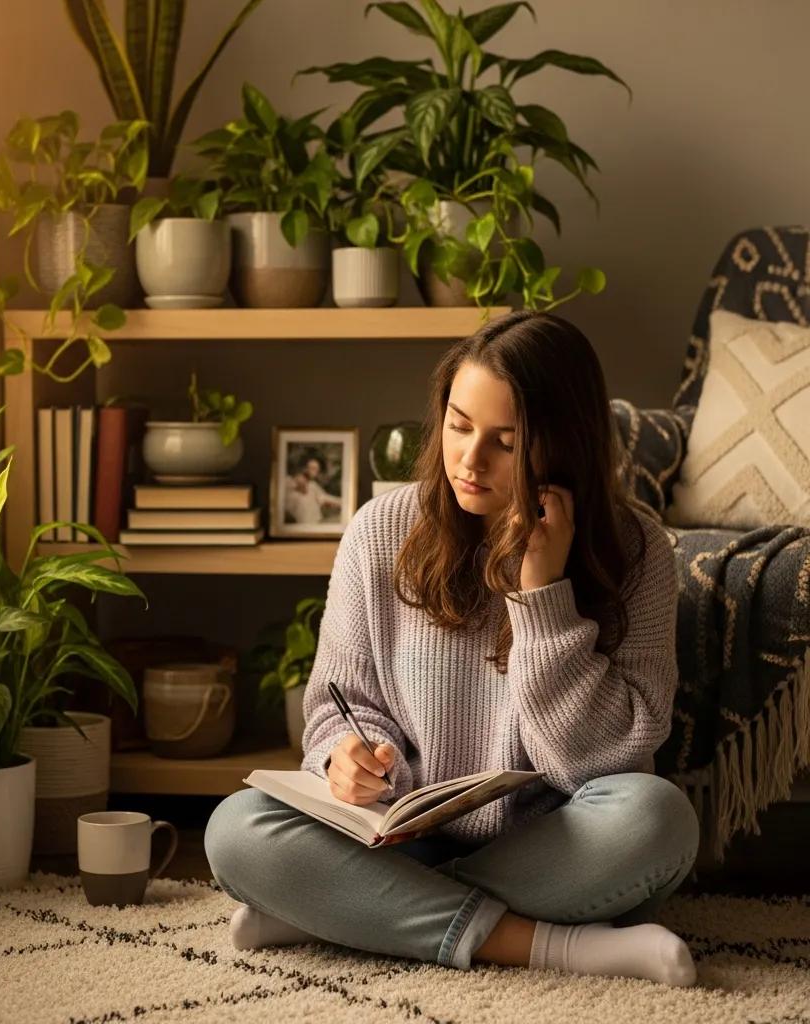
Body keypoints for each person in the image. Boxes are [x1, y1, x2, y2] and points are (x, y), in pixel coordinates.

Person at [205, 310, 700, 987]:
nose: (469, 459)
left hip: (552, 848)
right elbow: (336, 707)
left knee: (657, 819)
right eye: (459, 425)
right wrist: (350, 759)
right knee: (236, 829)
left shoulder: (637, 552)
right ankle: (560, 948)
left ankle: (350, 908)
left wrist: (543, 596)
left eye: (504, 441)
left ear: (561, 446)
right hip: (402, 836)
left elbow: (606, 762)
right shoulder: (379, 531)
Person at [284, 451, 342, 523]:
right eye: (310, 468)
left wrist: (344, 502)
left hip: (314, 523)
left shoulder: (312, 485)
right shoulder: (287, 481)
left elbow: (325, 498)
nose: (311, 471)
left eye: (316, 469)